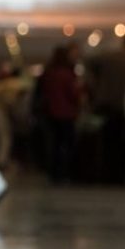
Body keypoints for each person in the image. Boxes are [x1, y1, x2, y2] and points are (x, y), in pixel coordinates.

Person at [86, 33, 125, 183]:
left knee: (109, 142)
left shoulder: (111, 56)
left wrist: (96, 83)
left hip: (108, 104)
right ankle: (120, 174)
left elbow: (89, 61)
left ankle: (108, 173)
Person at [41, 43, 83, 183]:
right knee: (67, 144)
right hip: (66, 114)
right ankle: (65, 172)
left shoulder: (50, 73)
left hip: (51, 113)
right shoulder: (67, 74)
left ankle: (54, 173)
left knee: (54, 144)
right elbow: (74, 94)